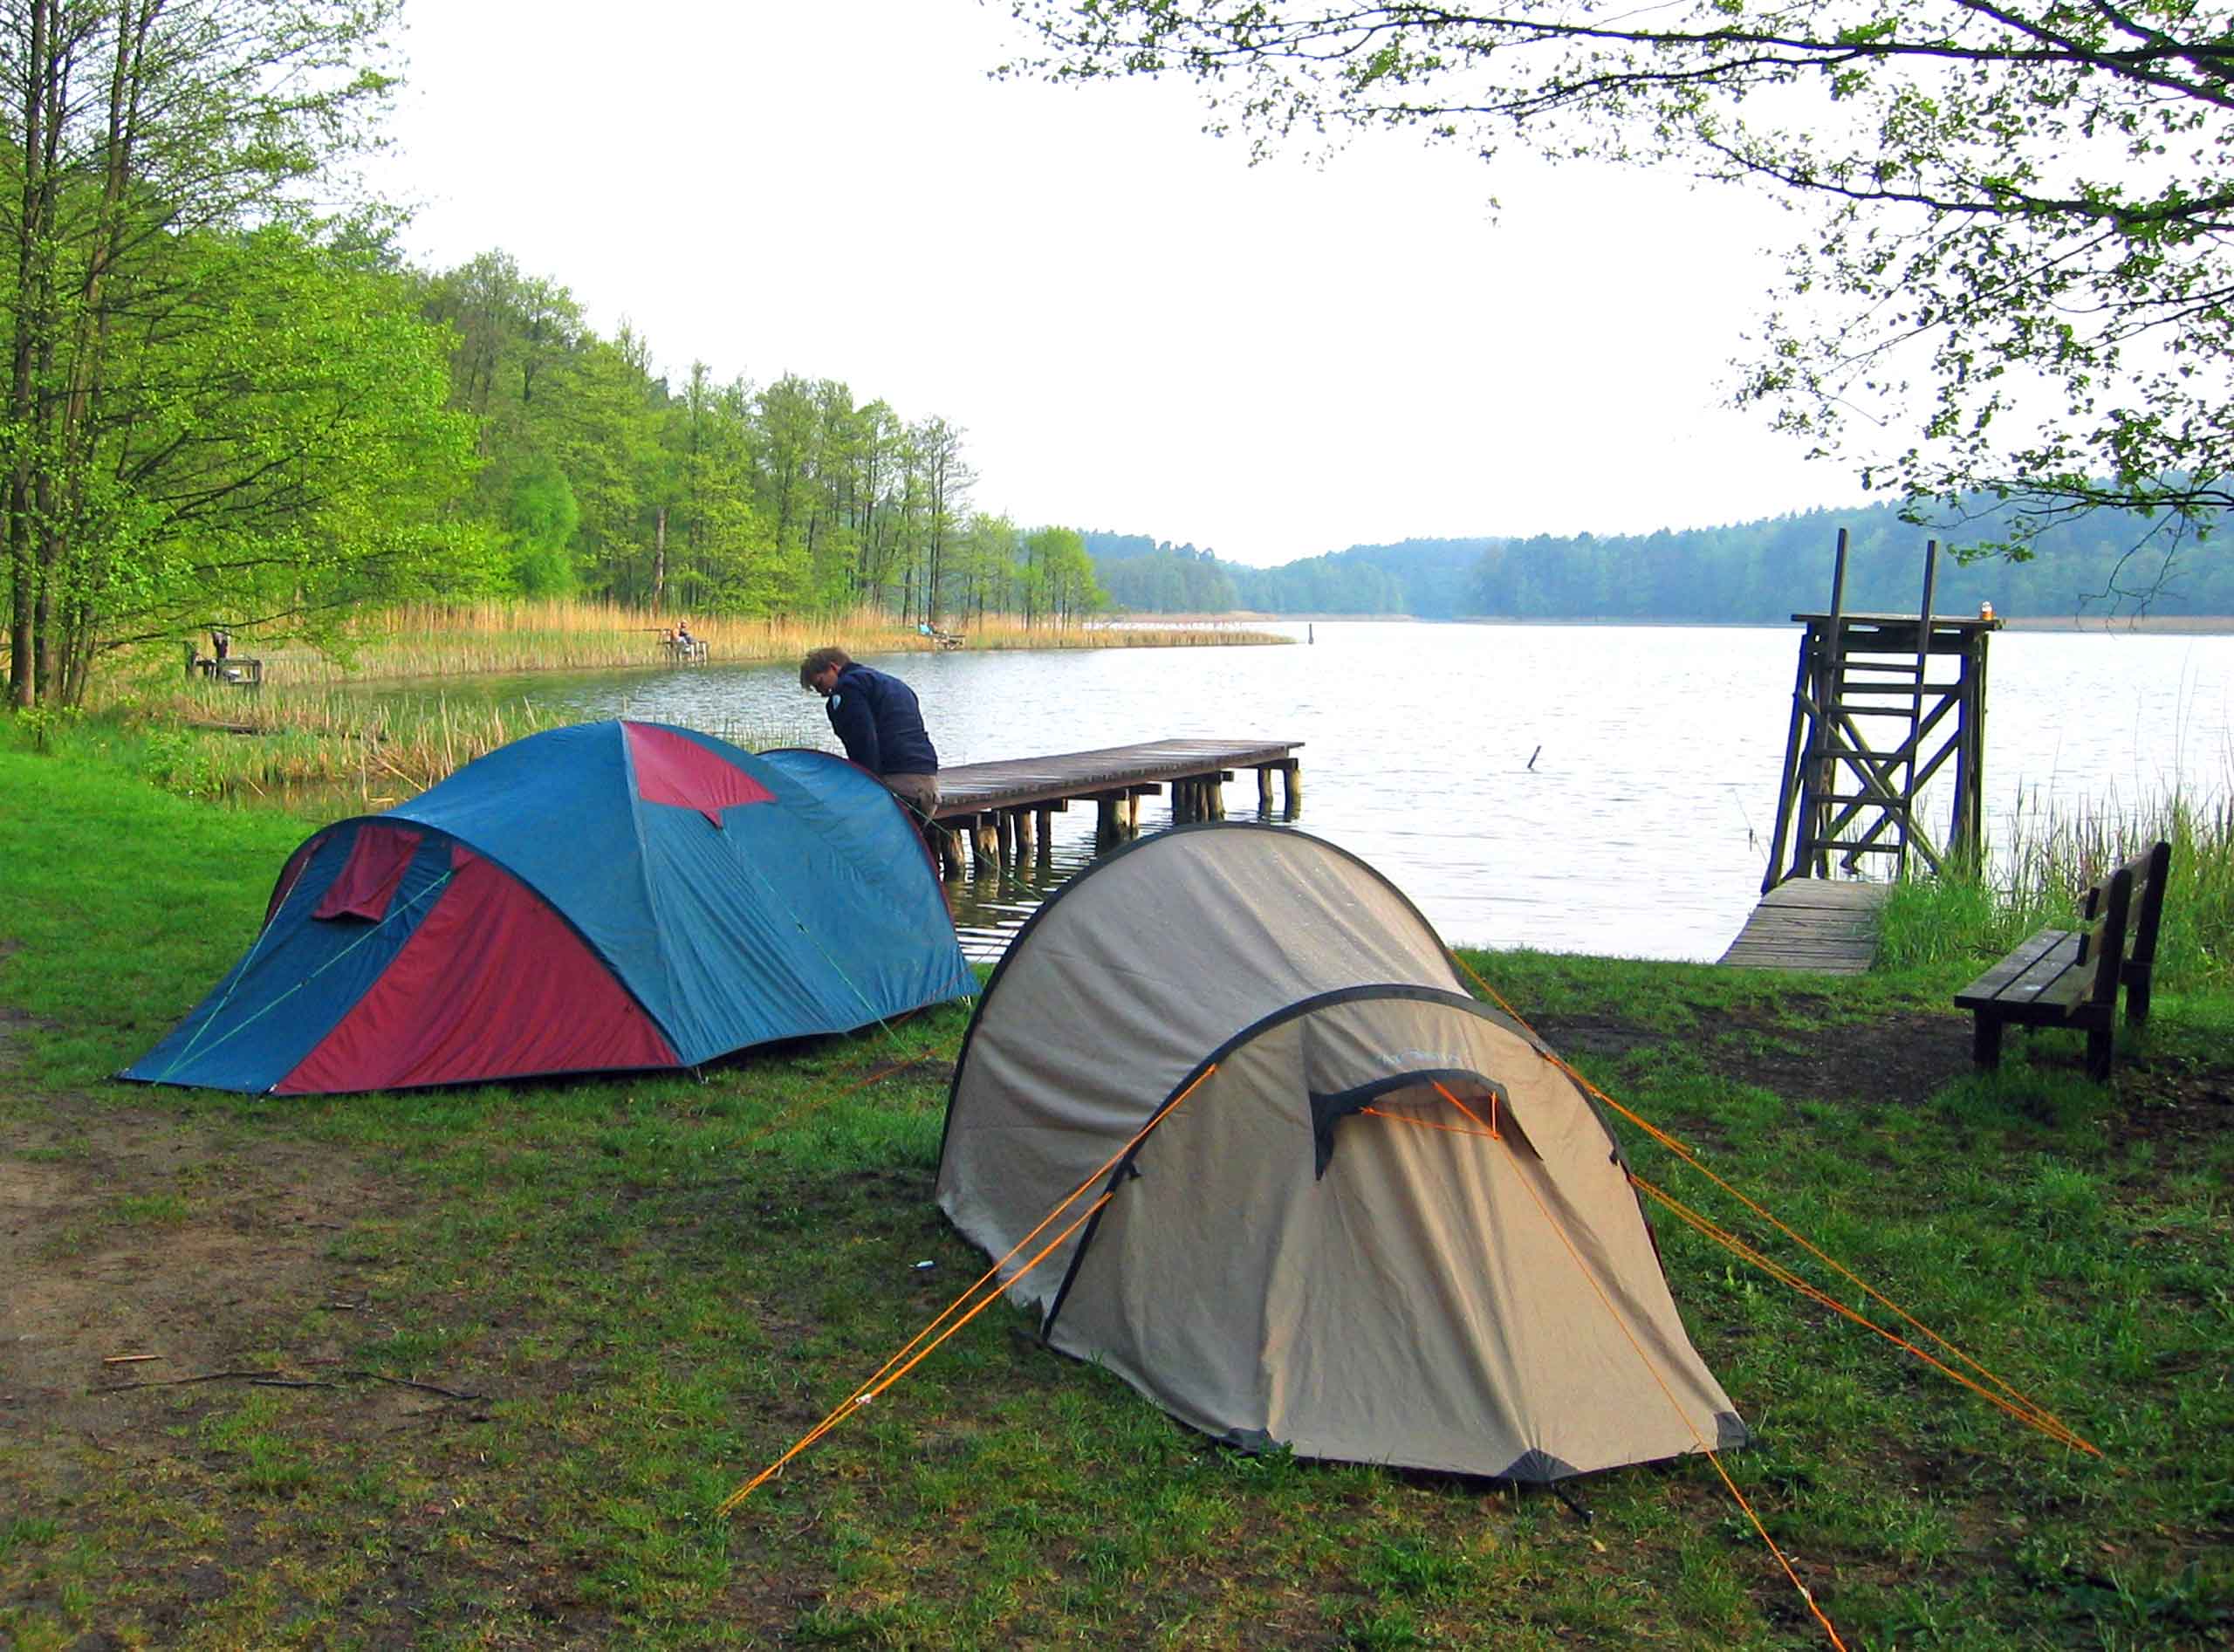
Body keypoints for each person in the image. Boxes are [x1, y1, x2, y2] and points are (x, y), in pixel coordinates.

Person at [800, 646, 940, 824]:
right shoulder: (895, 684)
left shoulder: (848, 687)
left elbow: (863, 741)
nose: (822, 693)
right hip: (929, 786)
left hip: (897, 786)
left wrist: (866, 788)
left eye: (820, 684)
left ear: (833, 668)